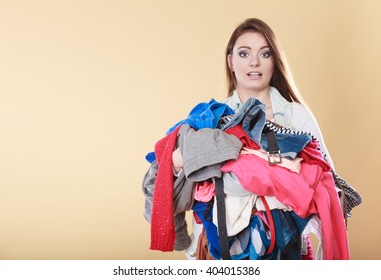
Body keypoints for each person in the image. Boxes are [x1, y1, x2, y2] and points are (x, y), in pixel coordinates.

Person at [144, 17, 351, 260]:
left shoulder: (296, 115)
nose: (254, 62)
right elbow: (195, 193)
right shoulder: (213, 120)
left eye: (265, 54)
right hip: (223, 251)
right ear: (230, 61)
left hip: (286, 247)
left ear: (274, 61)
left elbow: (329, 186)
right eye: (244, 54)